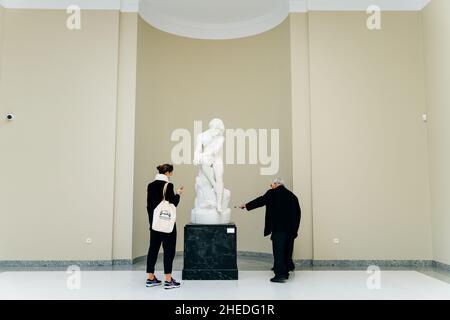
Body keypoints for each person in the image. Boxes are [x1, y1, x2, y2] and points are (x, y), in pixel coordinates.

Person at [239, 178, 301, 283]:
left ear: (276, 184)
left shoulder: (272, 193)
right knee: (287, 250)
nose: (270, 186)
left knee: (279, 251)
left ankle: (280, 275)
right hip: (291, 229)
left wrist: (246, 205)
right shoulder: (292, 196)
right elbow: (298, 214)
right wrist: (295, 230)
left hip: (279, 228)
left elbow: (261, 200)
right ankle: (286, 272)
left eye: (271, 184)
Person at [146, 164, 184, 289]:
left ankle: (150, 278)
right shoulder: (169, 185)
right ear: (168, 173)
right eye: (171, 172)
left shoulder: (150, 185)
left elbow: (149, 206)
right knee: (169, 250)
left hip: (155, 224)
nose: (171, 174)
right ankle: (168, 280)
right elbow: (174, 202)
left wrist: (152, 222)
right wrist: (178, 194)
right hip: (167, 224)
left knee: (153, 249)